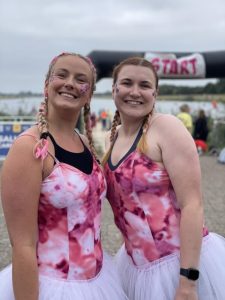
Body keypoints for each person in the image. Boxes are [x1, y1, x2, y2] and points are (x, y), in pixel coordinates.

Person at [0, 52, 127, 300]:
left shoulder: (83, 141)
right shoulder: (29, 147)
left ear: (89, 94)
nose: (70, 83)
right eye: (62, 75)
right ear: (47, 85)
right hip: (53, 285)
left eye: (81, 79)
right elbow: (23, 245)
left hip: (98, 279)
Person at [102, 57, 225, 300]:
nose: (135, 92)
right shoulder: (110, 138)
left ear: (155, 93)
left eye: (145, 85)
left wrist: (188, 282)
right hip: (135, 266)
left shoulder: (167, 127)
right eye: (127, 83)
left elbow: (192, 205)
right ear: (114, 89)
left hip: (178, 263)